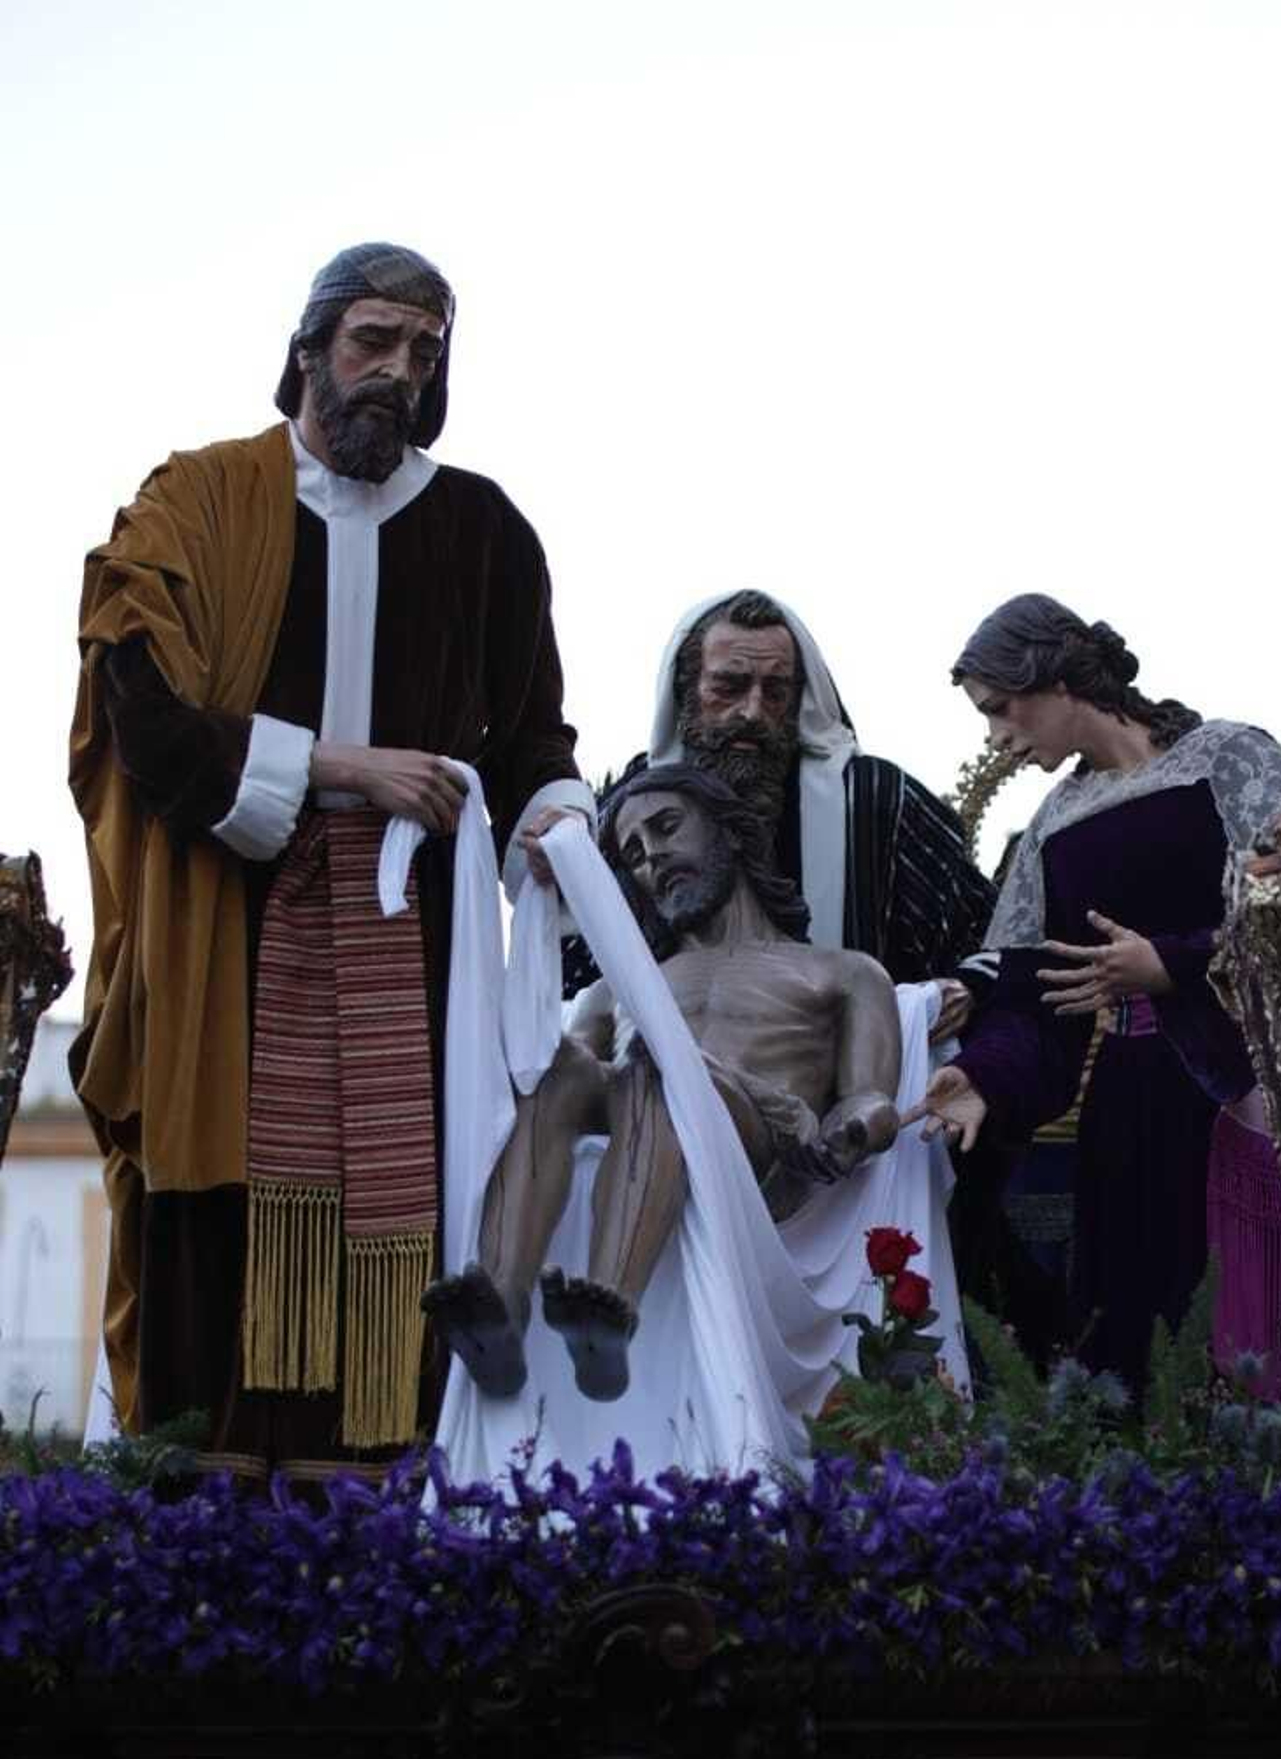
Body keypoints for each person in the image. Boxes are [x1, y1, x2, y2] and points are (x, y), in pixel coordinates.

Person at [70, 241, 592, 1478]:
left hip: (420, 935)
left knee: (411, 1197)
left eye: (424, 353)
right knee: (220, 1202)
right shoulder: (197, 503)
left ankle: (379, 1497)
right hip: (228, 918)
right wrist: (339, 768)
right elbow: (138, 709)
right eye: (373, 341)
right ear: (307, 348)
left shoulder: (483, 530)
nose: (397, 374)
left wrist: (561, 823)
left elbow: (530, 738)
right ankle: (205, 1499)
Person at [912, 594, 1281, 1398]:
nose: (996, 737)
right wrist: (983, 1074)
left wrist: (1174, 962)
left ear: (1053, 678)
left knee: (1259, 1330)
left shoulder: (1228, 759)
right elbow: (1031, 1000)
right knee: (1137, 1345)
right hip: (1127, 1121)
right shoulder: (1055, 826)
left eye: (1001, 709)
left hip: (1252, 1093)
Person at [425, 765, 903, 1405]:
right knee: (555, 1061)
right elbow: (551, 1085)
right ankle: (500, 1307)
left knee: (659, 1064)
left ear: (732, 833)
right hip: (640, 1098)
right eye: (633, 853)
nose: (653, 857)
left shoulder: (839, 973)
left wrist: (856, 1127)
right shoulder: (615, 989)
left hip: (749, 1142)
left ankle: (608, 1308)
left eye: (667, 827)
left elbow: (871, 1094)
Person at [604, 589, 992, 1006]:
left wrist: (965, 989)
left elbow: (984, 936)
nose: (752, 712)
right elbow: (576, 963)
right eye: (729, 687)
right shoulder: (627, 810)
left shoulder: (875, 801)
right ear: (686, 691)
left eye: (774, 691)